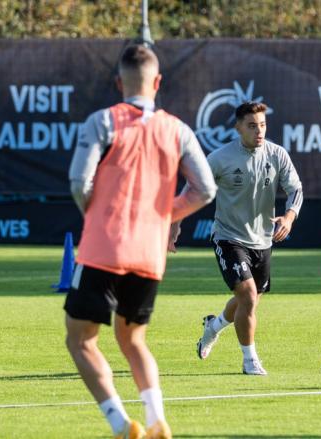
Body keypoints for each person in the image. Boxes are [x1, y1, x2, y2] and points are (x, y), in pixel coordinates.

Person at [65, 44, 216, 439]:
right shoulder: (178, 129)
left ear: (119, 82)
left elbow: (79, 182)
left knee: (80, 340)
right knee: (133, 340)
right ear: (158, 82)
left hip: (103, 250)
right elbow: (204, 190)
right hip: (150, 254)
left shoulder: (102, 121)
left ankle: (120, 425)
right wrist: (166, 215)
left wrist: (95, 217)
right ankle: (156, 421)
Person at [174, 101, 303, 375]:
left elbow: (296, 189)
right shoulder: (220, 158)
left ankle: (214, 326)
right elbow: (193, 189)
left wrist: (289, 217)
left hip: (263, 241)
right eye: (252, 125)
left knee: (250, 300)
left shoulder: (277, 155)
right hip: (228, 237)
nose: (259, 131)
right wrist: (175, 224)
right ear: (238, 127)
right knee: (247, 295)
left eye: (263, 125)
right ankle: (250, 360)